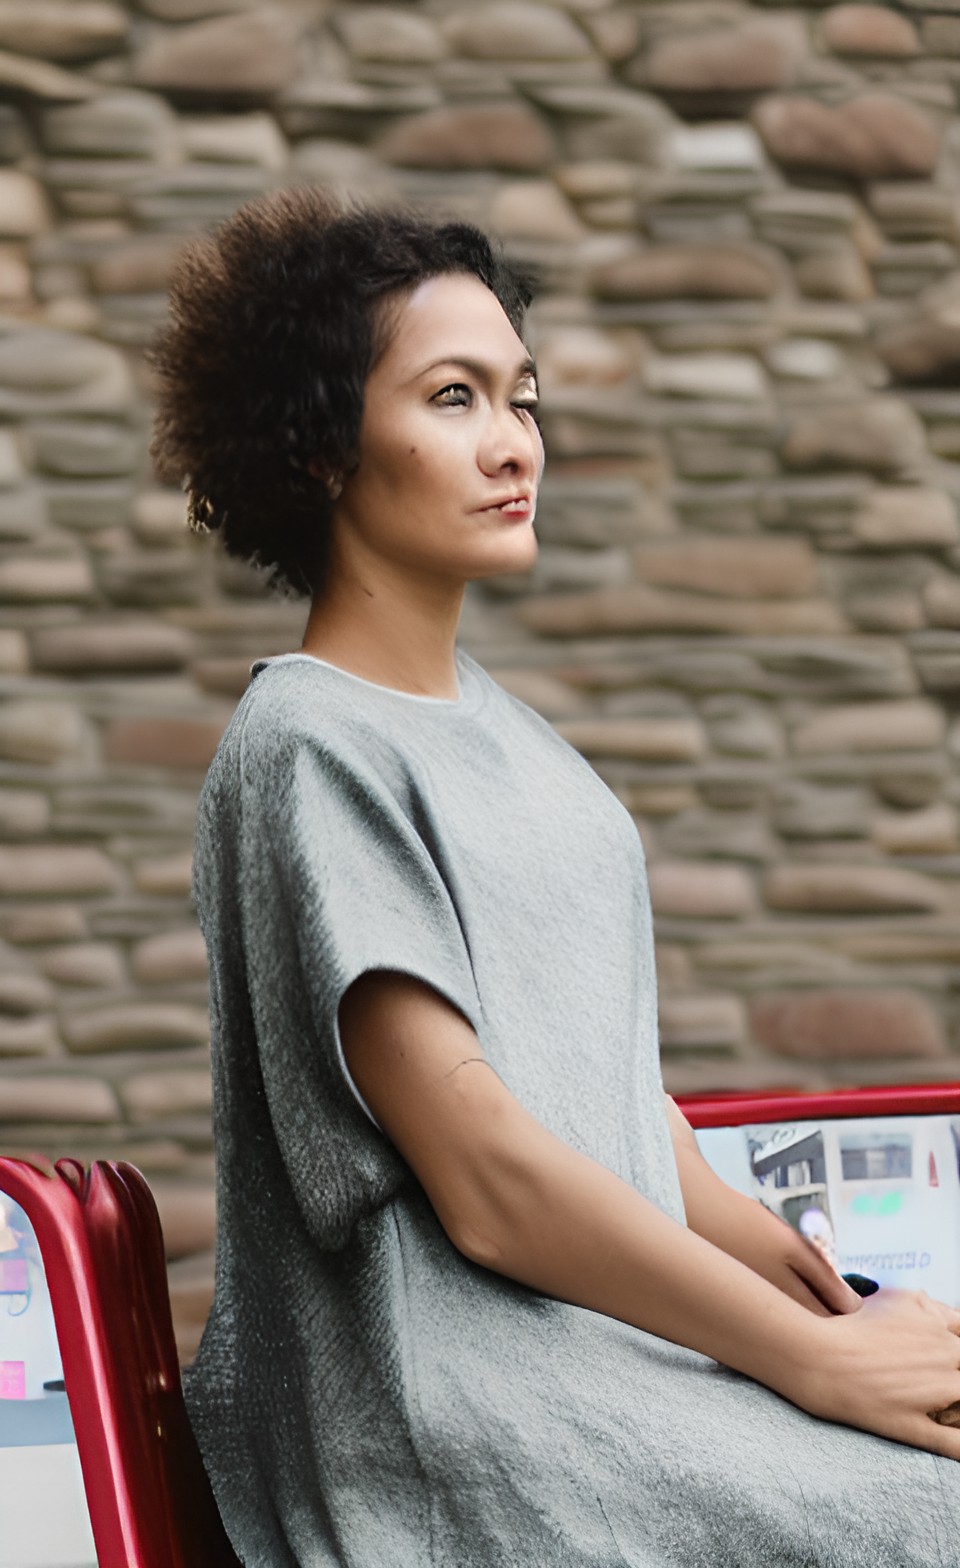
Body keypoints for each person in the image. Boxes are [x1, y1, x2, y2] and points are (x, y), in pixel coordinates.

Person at [151, 188, 960, 1567]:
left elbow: (601, 1095)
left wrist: (816, 1292)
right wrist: (805, 1365)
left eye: (522, 400)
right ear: (324, 446)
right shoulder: (307, 746)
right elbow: (490, 1178)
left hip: (605, 1357)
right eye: (454, 399)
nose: (513, 443)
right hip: (456, 1415)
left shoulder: (524, 746)